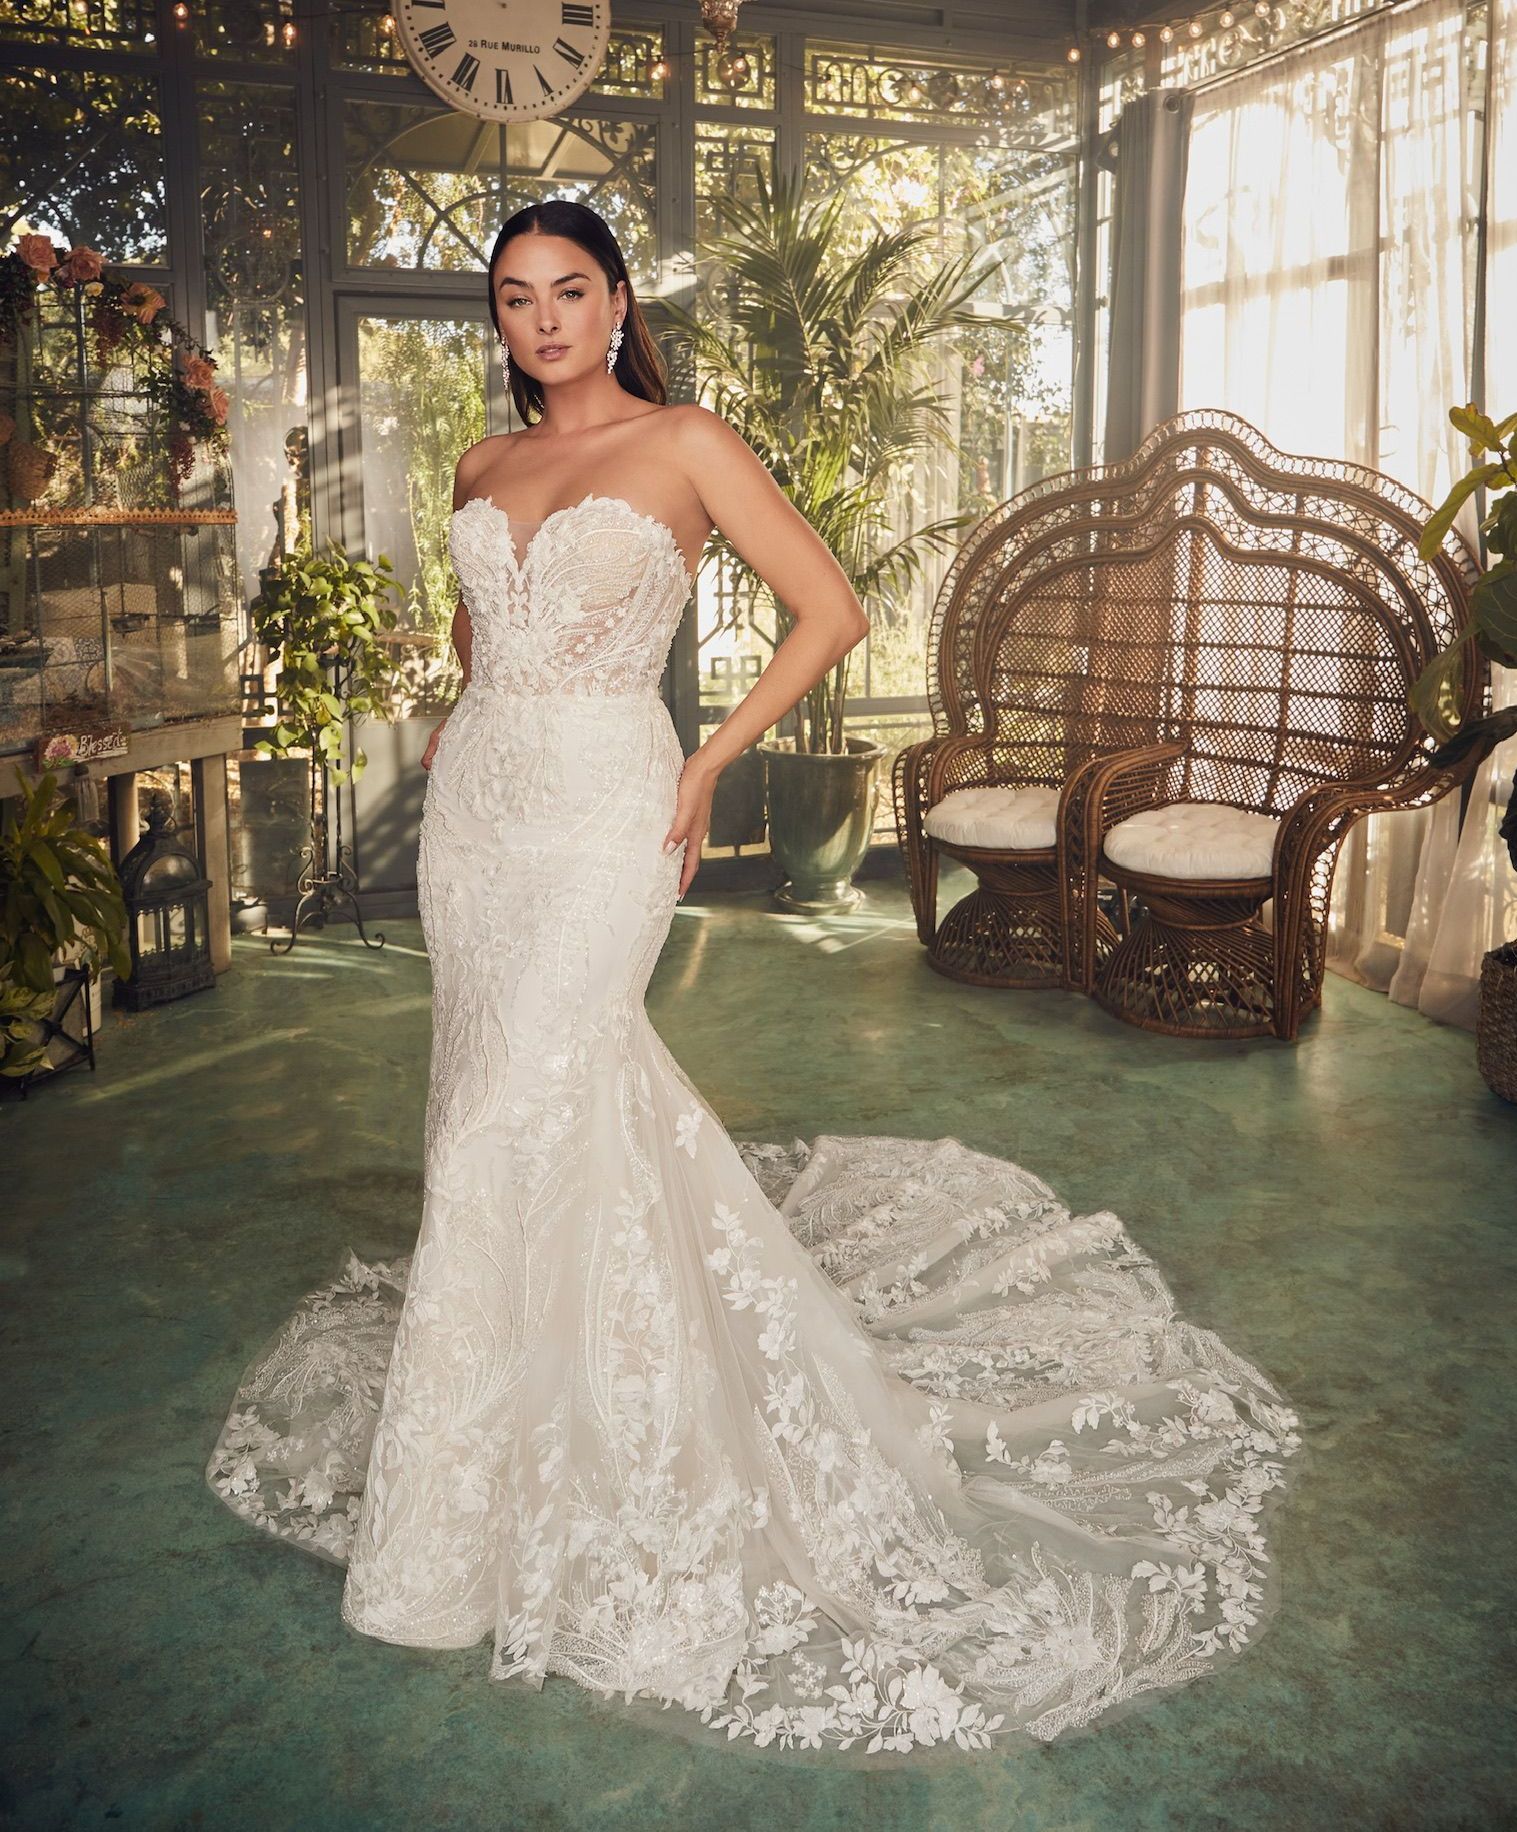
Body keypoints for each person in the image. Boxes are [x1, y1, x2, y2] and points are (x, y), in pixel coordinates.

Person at [207, 200, 1304, 1756]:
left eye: (567, 292)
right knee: (487, 1104)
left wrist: (713, 757)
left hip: (608, 807)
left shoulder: (687, 442)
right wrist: (470, 710)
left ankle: (542, 1470)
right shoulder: (477, 463)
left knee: (517, 1107)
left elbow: (831, 610)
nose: (540, 322)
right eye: (513, 298)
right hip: (482, 820)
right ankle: (503, 1433)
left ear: (615, 299)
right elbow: (482, 627)